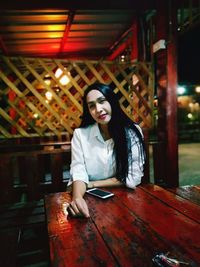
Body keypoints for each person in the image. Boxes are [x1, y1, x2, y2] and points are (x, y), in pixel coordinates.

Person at [67, 82, 146, 218]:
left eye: (102, 101)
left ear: (112, 102)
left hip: (124, 202)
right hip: (90, 199)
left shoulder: (132, 132)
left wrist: (91, 184)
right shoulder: (81, 134)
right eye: (92, 106)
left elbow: (133, 177)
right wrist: (78, 198)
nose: (98, 109)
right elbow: (78, 170)